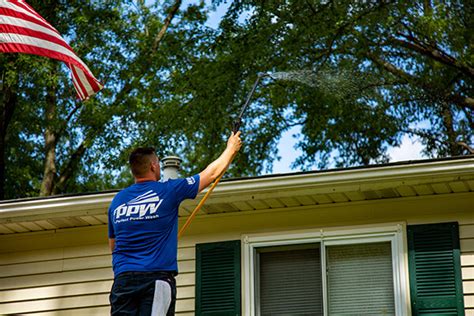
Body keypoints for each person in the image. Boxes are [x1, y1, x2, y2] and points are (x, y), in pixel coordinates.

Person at [108, 132, 242, 315]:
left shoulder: (117, 201)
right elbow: (210, 174)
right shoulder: (168, 190)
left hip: (122, 281)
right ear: (154, 166)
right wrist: (231, 149)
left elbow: (114, 246)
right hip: (155, 279)